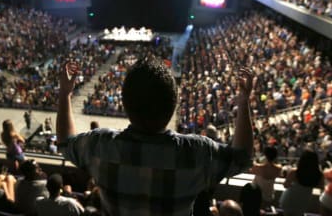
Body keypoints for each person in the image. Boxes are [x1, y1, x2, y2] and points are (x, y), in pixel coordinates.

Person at [56, 57, 254, 215]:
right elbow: (242, 157)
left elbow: (65, 142)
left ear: (124, 104)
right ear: (173, 105)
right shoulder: (197, 152)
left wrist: (65, 94)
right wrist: (244, 102)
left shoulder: (100, 145)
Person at [279, 149, 324, 216]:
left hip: (289, 199)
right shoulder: (319, 175)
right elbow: (321, 187)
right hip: (304, 200)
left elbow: (285, 185)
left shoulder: (294, 172)